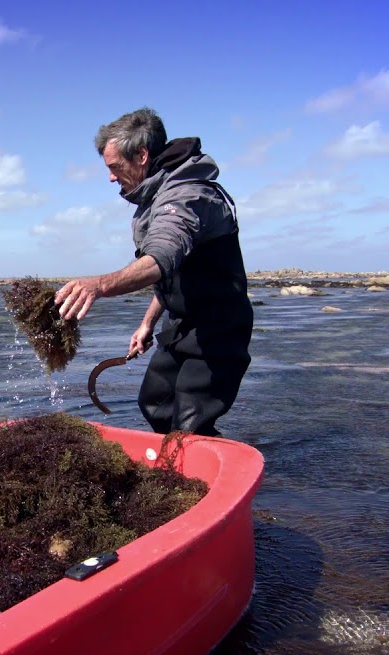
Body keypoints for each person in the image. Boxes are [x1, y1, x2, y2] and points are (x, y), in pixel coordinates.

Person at [55, 107, 253, 437]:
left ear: (142, 155)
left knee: (190, 426)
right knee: (154, 404)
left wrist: (99, 285)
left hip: (219, 327)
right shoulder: (155, 198)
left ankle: (208, 476)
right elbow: (170, 274)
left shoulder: (186, 196)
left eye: (115, 167)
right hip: (180, 324)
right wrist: (147, 323)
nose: (111, 177)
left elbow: (160, 258)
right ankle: (179, 468)